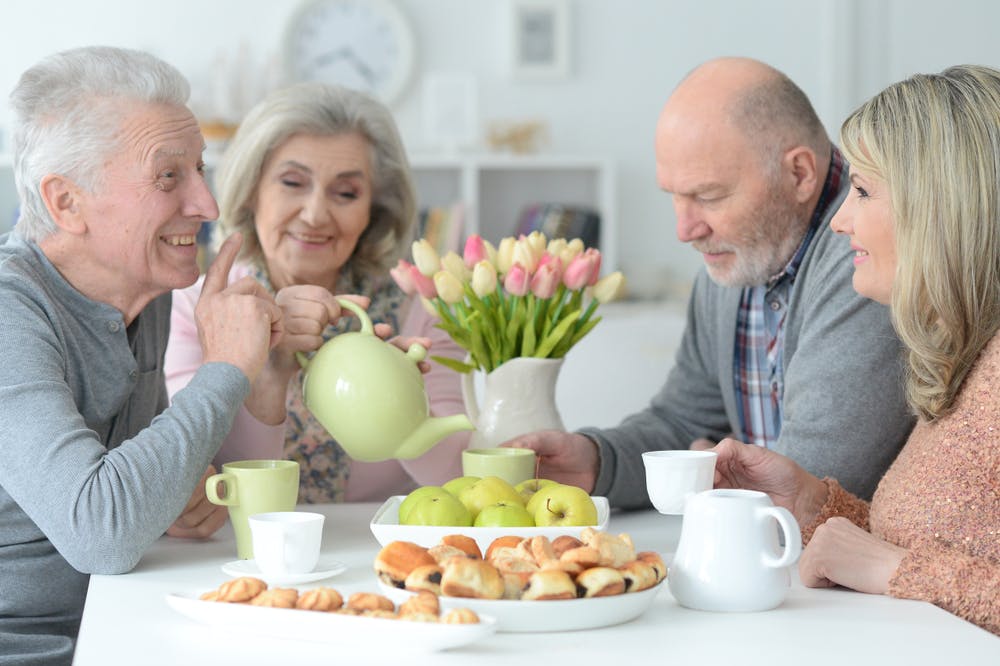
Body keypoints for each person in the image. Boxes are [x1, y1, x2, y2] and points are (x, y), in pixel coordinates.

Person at [505, 57, 915, 507]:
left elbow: (816, 480)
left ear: (799, 173)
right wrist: (598, 461)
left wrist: (707, 480)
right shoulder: (742, 256)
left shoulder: (868, 258)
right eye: (675, 198)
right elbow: (684, 423)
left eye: (708, 196)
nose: (685, 230)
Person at [0, 46, 283, 664]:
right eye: (168, 176)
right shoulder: (8, 313)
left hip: (118, 626)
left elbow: (131, 503)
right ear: (65, 202)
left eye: (200, 169)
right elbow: (103, 533)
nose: (207, 205)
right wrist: (226, 367)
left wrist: (166, 495)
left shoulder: (141, 287)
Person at [711, 64, 1000, 635]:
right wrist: (811, 502)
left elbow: (908, 562)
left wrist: (897, 570)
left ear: (941, 209)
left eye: (864, 192)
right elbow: (941, 540)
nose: (840, 221)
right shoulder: (970, 360)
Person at [165, 83, 471, 503]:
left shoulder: (420, 307)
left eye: (346, 193)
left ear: (374, 210)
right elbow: (199, 478)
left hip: (379, 549)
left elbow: (458, 479)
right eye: (293, 183)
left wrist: (402, 409)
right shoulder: (193, 306)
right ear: (253, 190)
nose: (314, 215)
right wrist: (270, 372)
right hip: (237, 552)